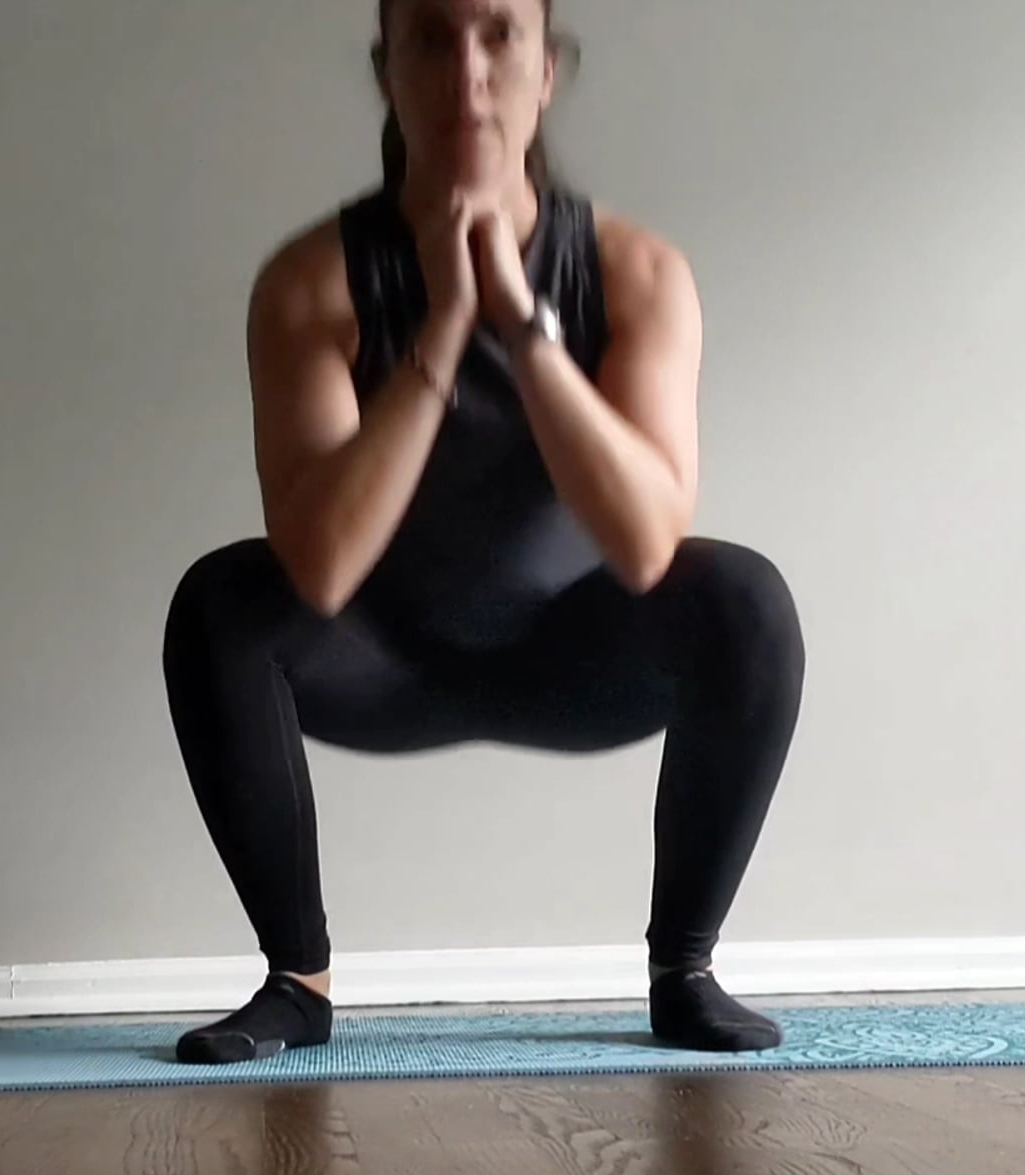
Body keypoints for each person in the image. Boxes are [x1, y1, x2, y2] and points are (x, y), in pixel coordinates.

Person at [163, 0, 806, 1064]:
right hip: (376, 658)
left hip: (575, 658)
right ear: (387, 71)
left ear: (546, 70)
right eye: (432, 37)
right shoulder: (310, 283)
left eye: (500, 34)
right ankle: (296, 983)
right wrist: (444, 328)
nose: (468, 71)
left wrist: (521, 324)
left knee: (745, 599)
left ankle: (684, 973)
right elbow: (319, 562)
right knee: (221, 603)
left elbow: (646, 542)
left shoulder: (639, 273)